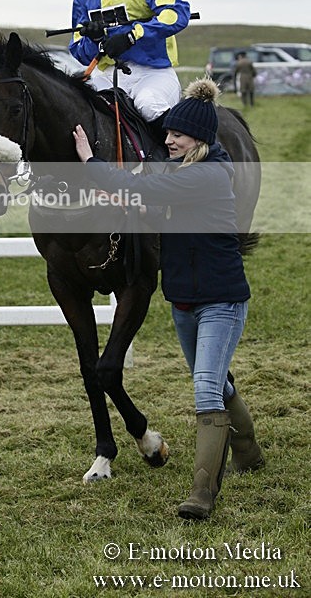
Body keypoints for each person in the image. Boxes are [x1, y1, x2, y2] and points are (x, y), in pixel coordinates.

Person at [72, 77, 264, 520]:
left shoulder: (209, 173)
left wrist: (90, 161)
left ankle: (202, 493)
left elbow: (147, 193)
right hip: (183, 301)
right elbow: (150, 205)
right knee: (214, 377)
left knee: (204, 388)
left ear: (198, 139)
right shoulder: (181, 173)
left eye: (176, 135)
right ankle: (249, 452)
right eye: (168, 134)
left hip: (221, 300)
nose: (168, 140)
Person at [50, 0, 191, 141]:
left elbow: (176, 13)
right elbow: (79, 50)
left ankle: (179, 167)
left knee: (148, 105)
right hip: (106, 76)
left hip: (153, 74)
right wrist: (95, 39)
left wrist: (131, 36)